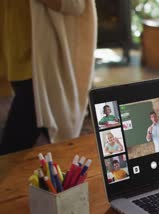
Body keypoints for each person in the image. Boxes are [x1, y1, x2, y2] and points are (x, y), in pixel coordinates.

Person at [0, 0, 96, 155]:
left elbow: (76, 4)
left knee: (13, 147)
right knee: (38, 135)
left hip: (40, 66)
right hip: (15, 58)